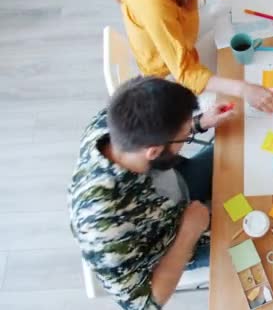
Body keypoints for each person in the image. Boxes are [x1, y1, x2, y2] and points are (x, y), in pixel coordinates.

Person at [68, 76, 231, 309]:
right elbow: (144, 304)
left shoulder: (110, 120)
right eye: (184, 137)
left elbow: (157, 127)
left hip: (178, 186)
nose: (187, 139)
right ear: (153, 152)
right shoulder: (103, 224)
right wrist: (188, 233)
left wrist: (198, 123)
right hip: (178, 242)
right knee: (262, 239)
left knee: (238, 148)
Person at [114, 0, 273, 113]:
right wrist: (244, 88)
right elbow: (185, 72)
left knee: (229, 13)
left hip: (183, 38)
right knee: (234, 101)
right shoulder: (153, 3)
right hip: (170, 74)